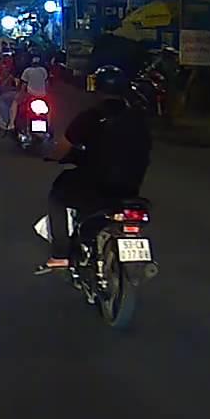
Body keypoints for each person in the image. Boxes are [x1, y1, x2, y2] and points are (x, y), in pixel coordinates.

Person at [35, 66, 152, 274]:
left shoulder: (91, 117)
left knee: (57, 196)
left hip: (95, 186)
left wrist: (52, 155)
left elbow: (63, 148)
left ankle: (60, 256)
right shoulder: (138, 118)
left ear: (97, 89)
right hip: (130, 187)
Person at [5, 55, 49, 136]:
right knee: (49, 109)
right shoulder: (43, 70)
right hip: (42, 95)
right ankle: (48, 125)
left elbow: (23, 86)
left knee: (15, 102)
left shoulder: (27, 71)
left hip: (30, 95)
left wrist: (20, 95)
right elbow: (46, 84)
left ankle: (11, 124)